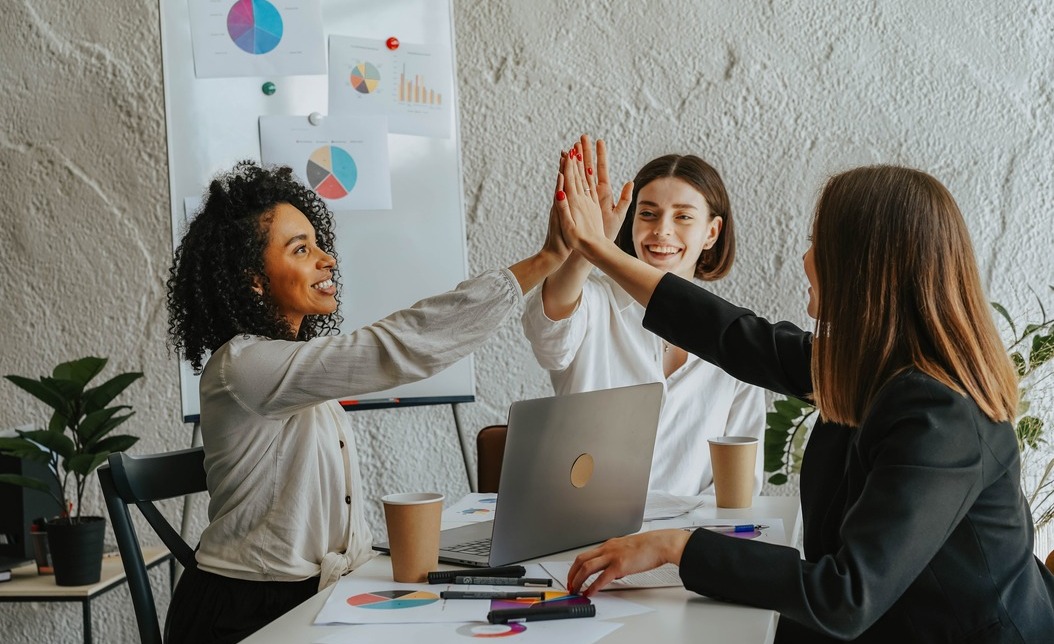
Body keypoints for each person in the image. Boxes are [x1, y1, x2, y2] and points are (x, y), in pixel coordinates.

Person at [555, 149, 1054, 642]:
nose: (805, 257)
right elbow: (732, 335)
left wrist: (678, 548)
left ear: (864, 267)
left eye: (819, 242)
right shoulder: (872, 366)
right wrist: (601, 250)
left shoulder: (941, 415)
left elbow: (844, 597)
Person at [163, 160, 570, 643]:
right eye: (301, 249)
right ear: (253, 279)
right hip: (243, 613)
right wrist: (545, 260)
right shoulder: (244, 365)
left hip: (310, 597)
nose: (326, 258)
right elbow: (395, 346)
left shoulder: (293, 371)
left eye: (318, 243)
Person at [522, 136, 765, 495]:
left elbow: (740, 484)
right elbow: (548, 333)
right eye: (648, 213)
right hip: (585, 537)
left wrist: (682, 545)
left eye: (683, 216)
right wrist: (589, 245)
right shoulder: (593, 302)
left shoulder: (736, 337)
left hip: (684, 543)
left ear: (711, 232)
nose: (662, 230)